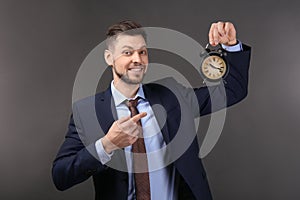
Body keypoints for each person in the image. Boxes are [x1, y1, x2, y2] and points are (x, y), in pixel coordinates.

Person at [52, 20, 251, 200]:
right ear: (109, 58)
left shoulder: (173, 95)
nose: (137, 59)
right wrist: (107, 145)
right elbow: (61, 176)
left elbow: (232, 91)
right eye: (128, 52)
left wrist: (230, 46)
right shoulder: (87, 111)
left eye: (143, 51)